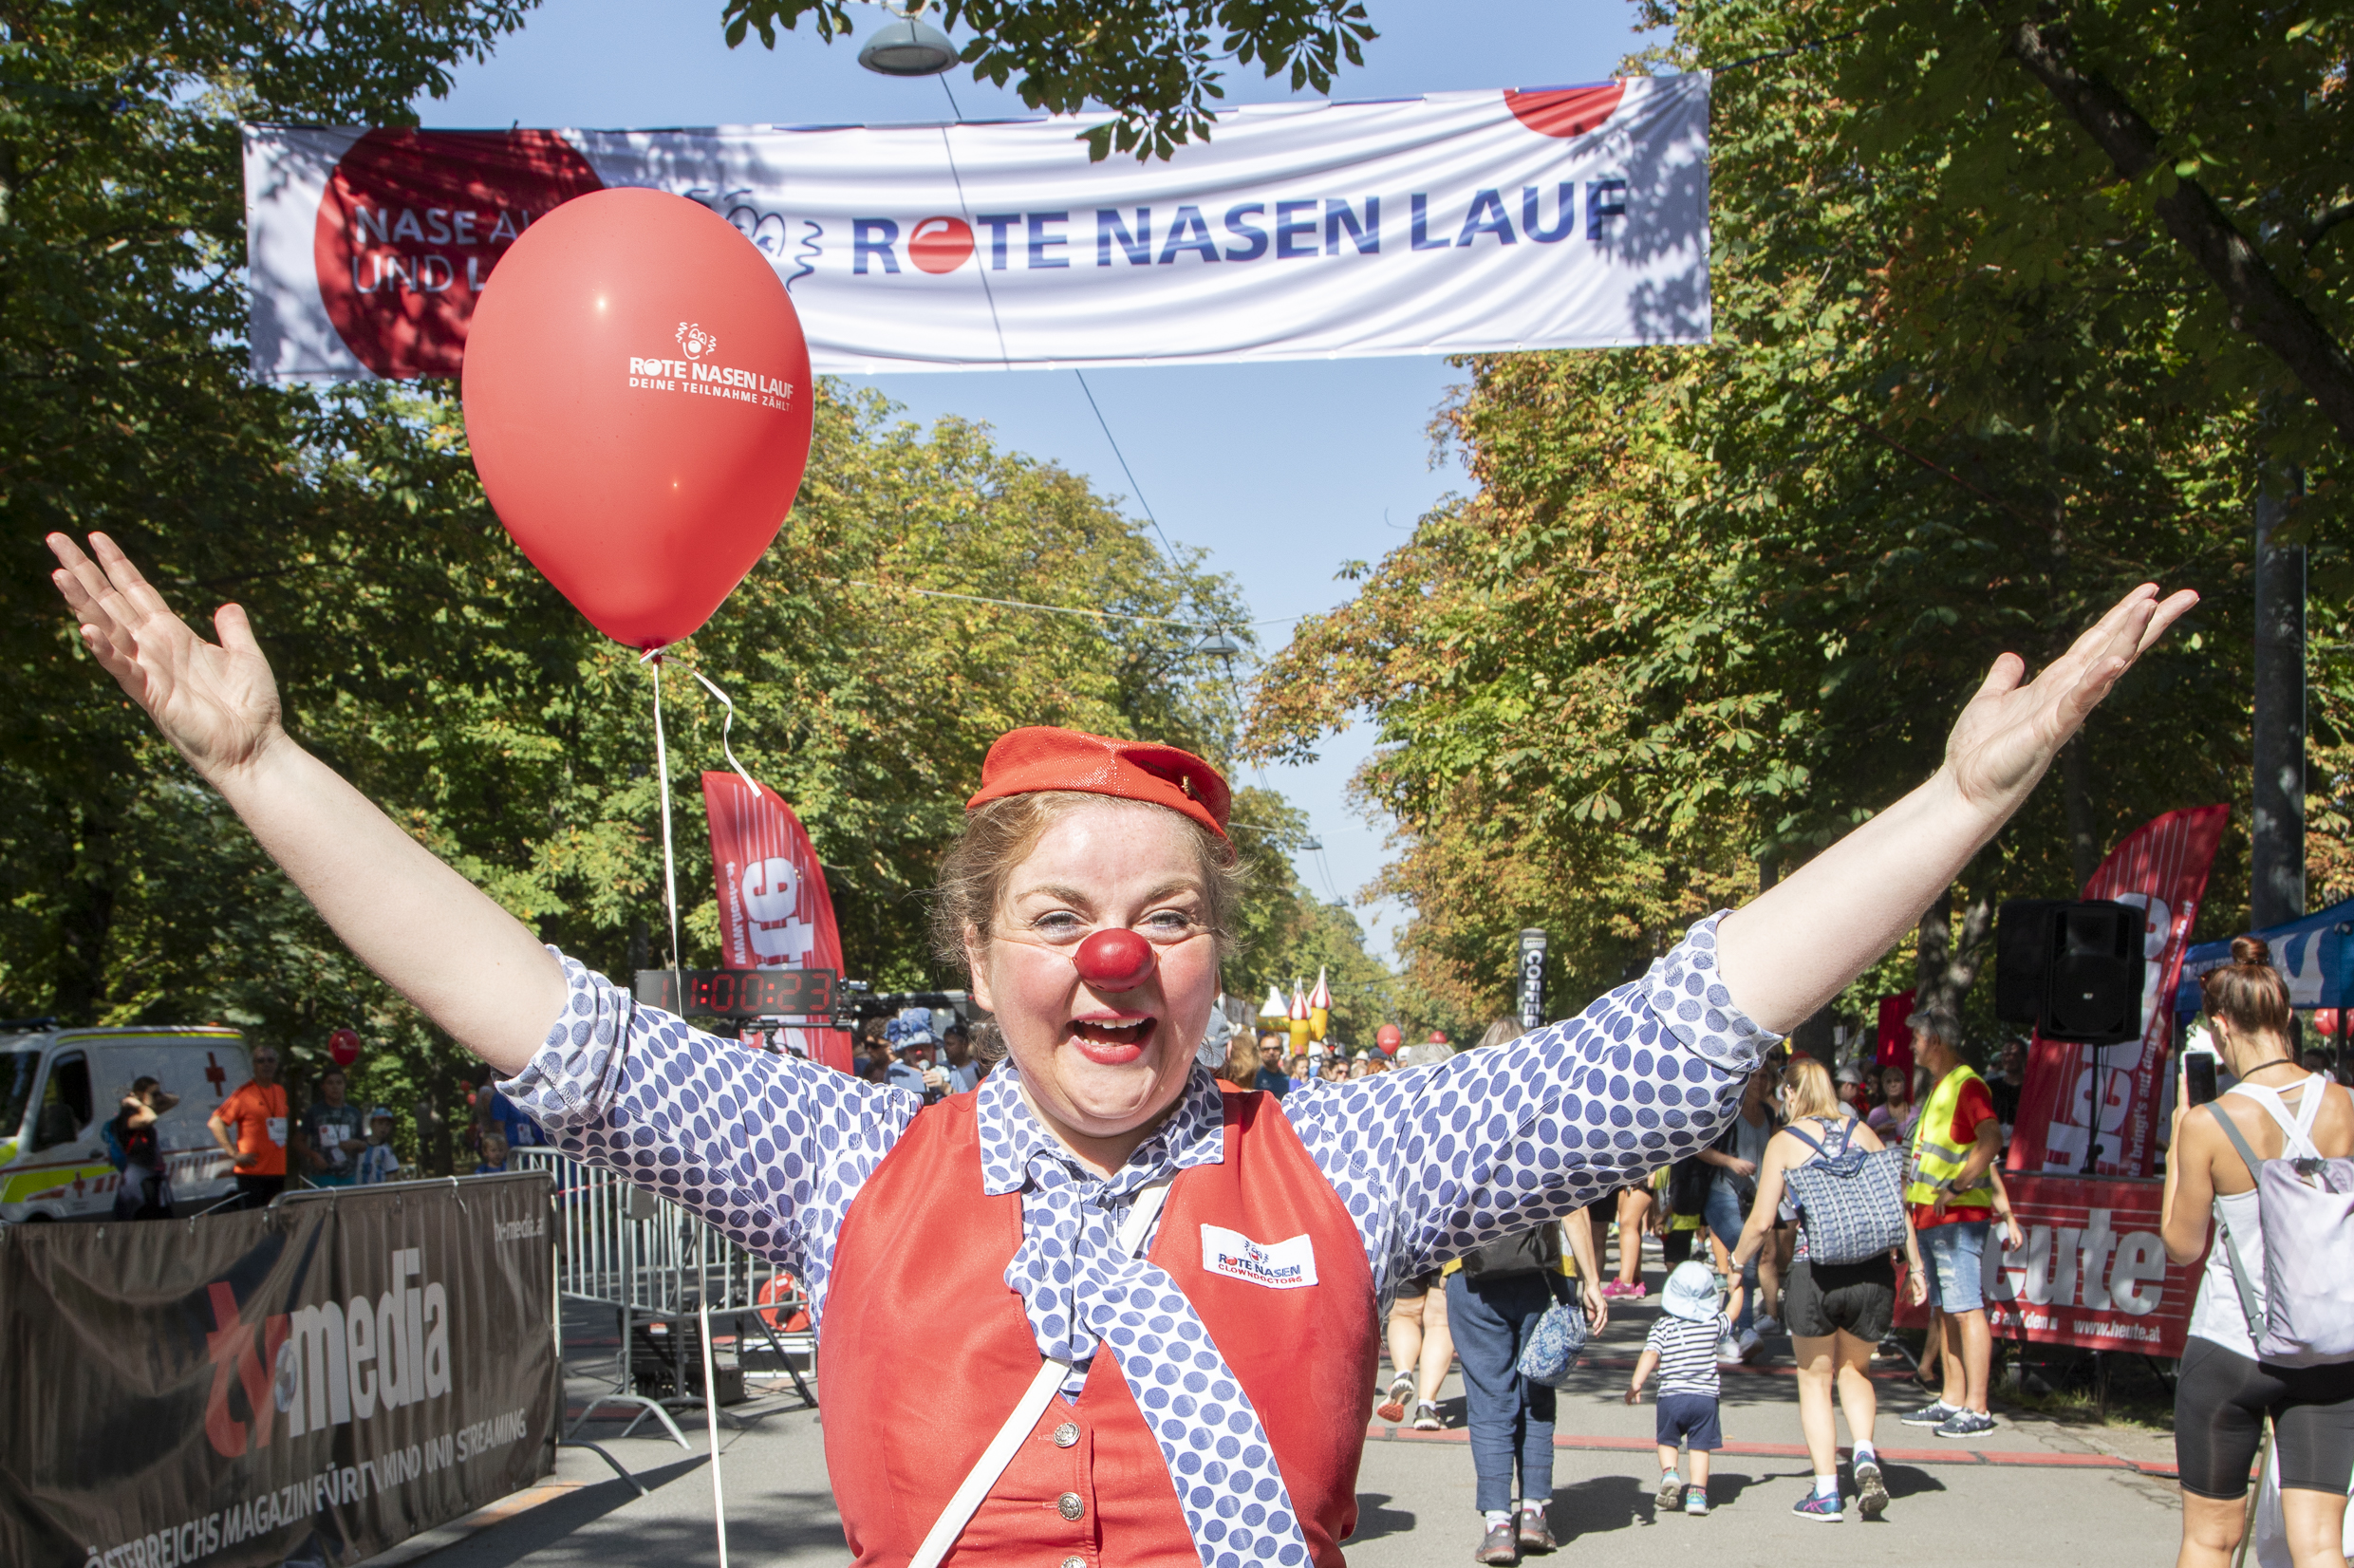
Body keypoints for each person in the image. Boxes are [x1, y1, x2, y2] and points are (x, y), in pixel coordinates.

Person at [45, 529, 2189, 1568]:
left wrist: (1963, 804)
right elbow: (532, 1005)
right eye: (1061, 917)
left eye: (1164, 922)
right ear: (977, 955)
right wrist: (264, 773)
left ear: (1216, 968)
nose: (1113, 964)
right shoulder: (842, 1166)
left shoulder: (1343, 1165)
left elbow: (1671, 1031)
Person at [2162, 939, 2354, 1568]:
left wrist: (2174, 1158)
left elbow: (2183, 1246)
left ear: (2221, 1026)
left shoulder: (2208, 1124)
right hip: (2326, 1345)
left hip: (2230, 1344)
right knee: (2322, 1544)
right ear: (2286, 1017)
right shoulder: (2346, 1105)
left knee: (2210, 1540)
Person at [1732, 1057, 1927, 1521]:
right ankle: (1862, 1452)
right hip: (1873, 1274)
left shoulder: (1783, 1143)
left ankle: (1825, 1492)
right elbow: (1897, 1207)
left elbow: (1762, 1222)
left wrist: (1735, 1264)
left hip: (1815, 1274)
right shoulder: (1864, 1133)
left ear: (1795, 1095)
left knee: (1815, 1381)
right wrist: (1916, 1269)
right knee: (1856, 1372)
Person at [1449, 1184, 1607, 1563]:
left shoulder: (1460, 1133)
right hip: (1546, 1275)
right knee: (1537, 1395)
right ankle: (1534, 1512)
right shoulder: (1550, 1130)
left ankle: (1498, 1526)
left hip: (1472, 1277)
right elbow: (1572, 1209)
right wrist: (1593, 1281)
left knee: (1489, 1402)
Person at [1897, 1010, 2021, 1438]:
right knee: (1948, 1310)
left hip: (1956, 1217)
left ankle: (1978, 1407)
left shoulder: (1967, 1084)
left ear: (1937, 1042)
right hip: (1933, 1216)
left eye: (1918, 1037)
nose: (1913, 1044)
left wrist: (1958, 1185)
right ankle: (1953, 1397)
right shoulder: (1942, 1087)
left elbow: (1990, 1139)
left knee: (1967, 1309)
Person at [1626, 1260, 1744, 1520]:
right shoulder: (1712, 1325)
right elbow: (1733, 1313)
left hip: (1671, 1398)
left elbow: (1650, 1354)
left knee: (1667, 1441)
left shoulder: (1663, 1326)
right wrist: (1737, 1287)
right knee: (1700, 1447)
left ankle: (1670, 1472)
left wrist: (1637, 1382)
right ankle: (1697, 1495)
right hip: (1704, 1399)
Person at [1697, 1066, 1777, 1360]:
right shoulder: (1728, 1112)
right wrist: (1730, 1162)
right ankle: (1743, 1329)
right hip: (1721, 1196)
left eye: (1763, 1076)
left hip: (1753, 1200)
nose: (1758, 1081)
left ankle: (1723, 1330)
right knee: (1746, 1255)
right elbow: (1698, 1147)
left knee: (1742, 1261)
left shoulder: (1769, 1115)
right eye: (1753, 1076)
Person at [208, 1044, 289, 1209]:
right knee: (255, 1222)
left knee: (275, 1221)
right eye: (260, 1061)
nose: (266, 1064)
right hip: (253, 1173)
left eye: (270, 1060)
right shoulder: (244, 1093)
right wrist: (234, 1154)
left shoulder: (280, 1091)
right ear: (254, 1065)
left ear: (276, 1064)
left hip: (277, 1171)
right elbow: (215, 1122)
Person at [1377, 1267, 1455, 1432]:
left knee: (1403, 1314)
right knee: (1440, 1323)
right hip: (1446, 1247)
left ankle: (1403, 1373)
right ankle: (1426, 1406)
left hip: (1411, 1246)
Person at [110, 1075, 179, 1219]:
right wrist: (136, 1103)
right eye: (154, 1094)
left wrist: (156, 1094)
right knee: (143, 1218)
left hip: (153, 1178)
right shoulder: (127, 1118)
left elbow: (175, 1100)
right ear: (141, 1096)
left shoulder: (146, 1111)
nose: (157, 1097)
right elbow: (150, 1118)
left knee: (165, 1218)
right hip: (137, 1181)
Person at [299, 1066, 366, 1187]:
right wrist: (314, 1155)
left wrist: (356, 1143)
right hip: (321, 1175)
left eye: (339, 1082)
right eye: (330, 1083)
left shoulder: (354, 1113)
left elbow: (364, 1145)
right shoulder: (315, 1111)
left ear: (344, 1085)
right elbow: (297, 1141)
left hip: (348, 1176)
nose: (335, 1087)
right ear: (323, 1086)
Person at [1601, 1181, 1653, 1299]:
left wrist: (1650, 1173)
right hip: (1629, 1174)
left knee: (1627, 1224)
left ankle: (1625, 1283)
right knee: (1632, 1223)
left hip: (1644, 1173)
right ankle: (1634, 1280)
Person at [1989, 1036, 2028, 1142]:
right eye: (2005, 1055)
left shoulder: (2032, 1089)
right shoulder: (1991, 1087)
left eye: (2014, 1055)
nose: (2008, 1058)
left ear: (2024, 1057)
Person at [356, 1106, 402, 1185]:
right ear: (371, 1124)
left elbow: (391, 1174)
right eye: (380, 1124)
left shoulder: (386, 1150)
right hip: (356, 1189)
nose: (384, 1128)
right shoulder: (359, 1145)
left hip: (377, 1191)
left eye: (387, 1125)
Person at [1867, 1063, 1913, 1138]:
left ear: (1904, 1084)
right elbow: (1865, 1141)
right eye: (1888, 1082)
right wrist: (1878, 1131)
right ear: (1883, 1086)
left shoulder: (1916, 1113)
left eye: (1897, 1080)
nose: (1893, 1084)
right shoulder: (1876, 1114)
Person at [1254, 1034, 1292, 1098]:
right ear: (1259, 1051)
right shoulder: (1253, 1077)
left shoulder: (1286, 1080)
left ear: (1282, 1051)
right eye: (1266, 1049)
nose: (1271, 1052)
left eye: (1276, 1048)